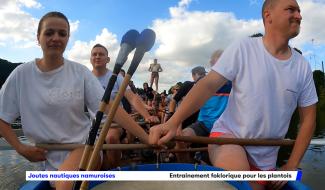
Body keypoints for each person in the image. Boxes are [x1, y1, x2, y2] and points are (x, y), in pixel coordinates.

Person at [149, 0, 317, 189]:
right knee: (241, 184)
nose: (299, 16)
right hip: (228, 139)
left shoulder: (302, 66)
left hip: (267, 159)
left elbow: (309, 119)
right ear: (268, 16)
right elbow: (207, 86)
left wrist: (292, 164)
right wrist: (172, 122)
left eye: (300, 11)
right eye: (291, 10)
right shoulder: (244, 48)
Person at [0, 12, 148, 190]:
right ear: (38, 38)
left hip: (84, 148)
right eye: (49, 33)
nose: (56, 38)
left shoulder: (80, 72)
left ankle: (108, 167)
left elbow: (110, 107)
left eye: (62, 34)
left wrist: (146, 137)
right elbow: (2, 118)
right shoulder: (21, 74)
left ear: (68, 38)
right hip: (45, 156)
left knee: (64, 185)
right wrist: (20, 148)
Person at [90, 44, 159, 168]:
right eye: (94, 54)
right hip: (91, 125)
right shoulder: (86, 77)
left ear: (108, 59)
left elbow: (131, 97)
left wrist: (146, 116)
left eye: (101, 54)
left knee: (111, 138)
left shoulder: (116, 77)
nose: (97, 57)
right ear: (90, 58)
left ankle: (114, 170)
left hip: (113, 123)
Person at [175, 50, 232, 163]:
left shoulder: (234, 82)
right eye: (217, 65)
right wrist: (177, 124)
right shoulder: (203, 83)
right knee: (180, 140)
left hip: (225, 127)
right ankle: (188, 170)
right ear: (212, 65)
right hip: (203, 124)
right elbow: (185, 103)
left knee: (225, 155)